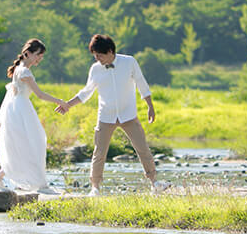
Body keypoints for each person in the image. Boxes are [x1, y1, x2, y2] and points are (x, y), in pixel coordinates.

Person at [55, 34, 166, 196]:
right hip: (106, 116)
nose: (97, 59)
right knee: (99, 153)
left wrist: (150, 106)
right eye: (94, 56)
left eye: (99, 55)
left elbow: (142, 83)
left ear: (110, 51)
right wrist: (67, 105)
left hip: (128, 114)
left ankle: (154, 183)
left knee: (142, 148)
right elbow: (86, 92)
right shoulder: (95, 69)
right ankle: (95, 188)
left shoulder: (129, 62)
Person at [0, 38, 66, 192]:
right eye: (38, 54)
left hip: (20, 108)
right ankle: (36, 183)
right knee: (33, 142)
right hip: (20, 110)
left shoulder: (20, 68)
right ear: (27, 53)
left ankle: (3, 176)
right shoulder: (24, 71)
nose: (40, 58)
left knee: (28, 144)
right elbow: (39, 94)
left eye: (41, 56)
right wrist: (60, 101)